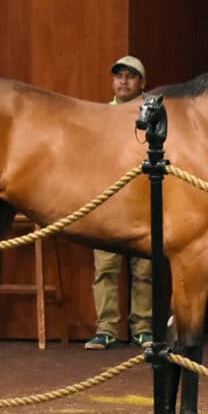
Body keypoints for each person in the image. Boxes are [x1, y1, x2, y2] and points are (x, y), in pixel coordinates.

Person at [85, 55, 155, 350]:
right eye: (118, 76)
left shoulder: (153, 112)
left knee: (145, 270)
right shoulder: (99, 115)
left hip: (143, 201)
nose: (123, 81)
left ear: (142, 82)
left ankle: (143, 328)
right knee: (105, 269)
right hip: (108, 202)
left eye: (130, 76)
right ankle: (106, 329)